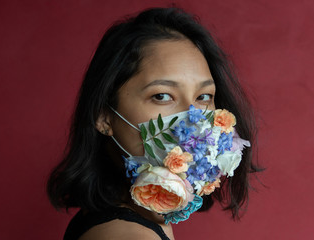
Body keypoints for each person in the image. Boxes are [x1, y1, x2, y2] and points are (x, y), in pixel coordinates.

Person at [47, 7, 260, 240]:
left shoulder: (125, 220)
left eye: (203, 97)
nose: (194, 119)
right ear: (103, 115)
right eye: (162, 96)